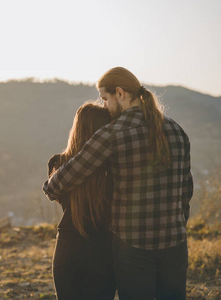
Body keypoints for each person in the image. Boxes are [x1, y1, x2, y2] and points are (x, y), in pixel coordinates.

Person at [43, 67, 193, 300]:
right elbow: (186, 193)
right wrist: (177, 227)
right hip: (175, 245)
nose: (104, 106)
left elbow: (57, 185)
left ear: (120, 93)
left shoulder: (113, 133)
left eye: (105, 99)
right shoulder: (177, 130)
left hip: (133, 249)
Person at [48, 102, 116, 299]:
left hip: (68, 246)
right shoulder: (113, 168)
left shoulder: (57, 163)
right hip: (103, 248)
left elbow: (59, 198)